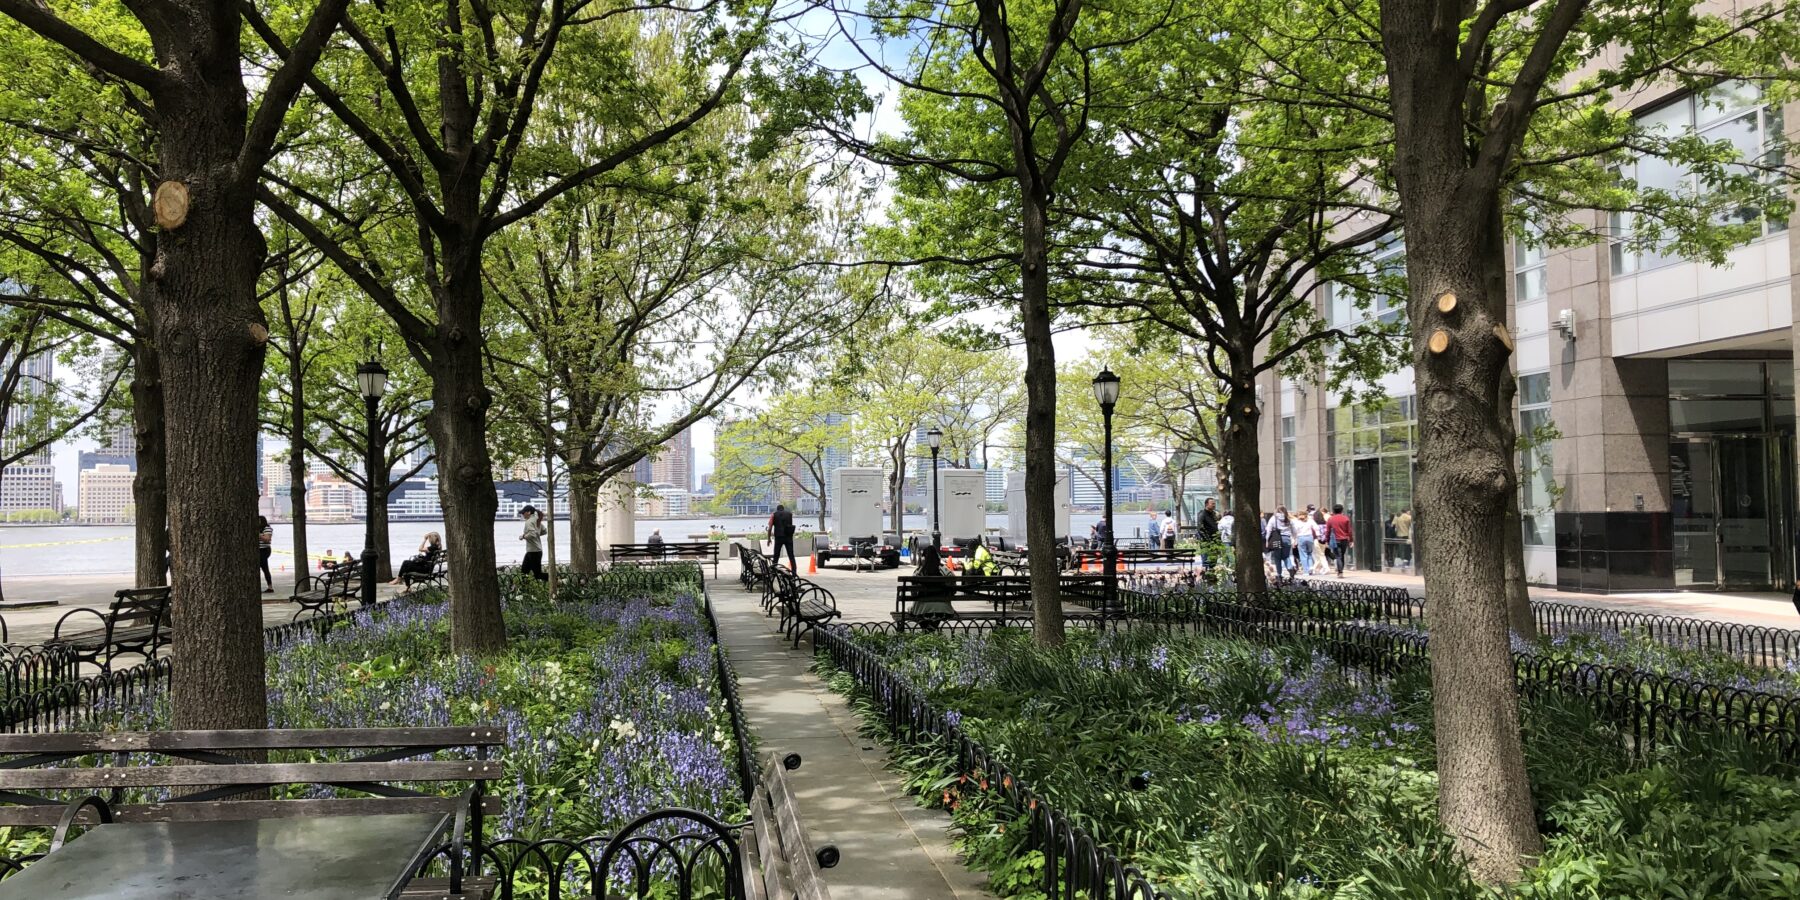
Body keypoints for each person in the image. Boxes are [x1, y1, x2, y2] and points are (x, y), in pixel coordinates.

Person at [1265, 507, 1294, 583]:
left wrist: (1267, 540)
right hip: (1287, 539)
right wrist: (1294, 538)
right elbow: (1293, 529)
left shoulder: (1273, 518)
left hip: (1276, 539)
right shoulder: (1288, 519)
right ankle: (1290, 568)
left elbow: (1269, 529)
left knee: (1277, 558)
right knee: (1286, 556)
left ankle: (1279, 575)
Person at [519, 507, 546, 581]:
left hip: (534, 552)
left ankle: (556, 579)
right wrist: (536, 534)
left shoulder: (529, 522)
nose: (522, 514)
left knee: (537, 575)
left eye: (523, 513)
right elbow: (544, 531)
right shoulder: (536, 520)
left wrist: (523, 536)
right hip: (534, 551)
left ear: (529, 512)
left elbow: (532, 534)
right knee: (524, 572)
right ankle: (525, 587)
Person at [767, 503, 797, 570]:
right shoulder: (789, 514)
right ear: (783, 509)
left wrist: (769, 539)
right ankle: (794, 572)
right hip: (788, 537)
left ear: (777, 509)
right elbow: (790, 525)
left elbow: (769, 528)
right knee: (791, 556)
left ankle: (774, 571)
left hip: (778, 537)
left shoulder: (774, 515)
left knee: (776, 556)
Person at [1326, 504, 1354, 577]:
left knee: (1338, 555)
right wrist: (1351, 540)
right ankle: (1341, 570)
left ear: (1333, 510)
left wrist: (1327, 540)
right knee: (1342, 555)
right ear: (1342, 510)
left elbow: (1328, 531)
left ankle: (1340, 571)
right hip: (1344, 539)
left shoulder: (1331, 519)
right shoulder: (1345, 518)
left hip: (1335, 540)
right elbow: (1349, 531)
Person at [1292, 508, 1316, 578]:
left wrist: (1294, 540)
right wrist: (1318, 535)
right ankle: (1311, 566)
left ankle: (1306, 571)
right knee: (1309, 553)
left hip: (1301, 537)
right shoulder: (1310, 520)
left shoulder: (1297, 522)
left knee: (1303, 554)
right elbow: (1316, 527)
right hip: (1310, 537)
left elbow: (1295, 532)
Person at [257, 515, 274, 593]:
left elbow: (267, 539)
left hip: (264, 550)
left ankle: (270, 587)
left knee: (265, 567)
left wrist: (259, 535)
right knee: (264, 568)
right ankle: (269, 586)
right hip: (259, 550)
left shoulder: (267, 528)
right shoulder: (258, 529)